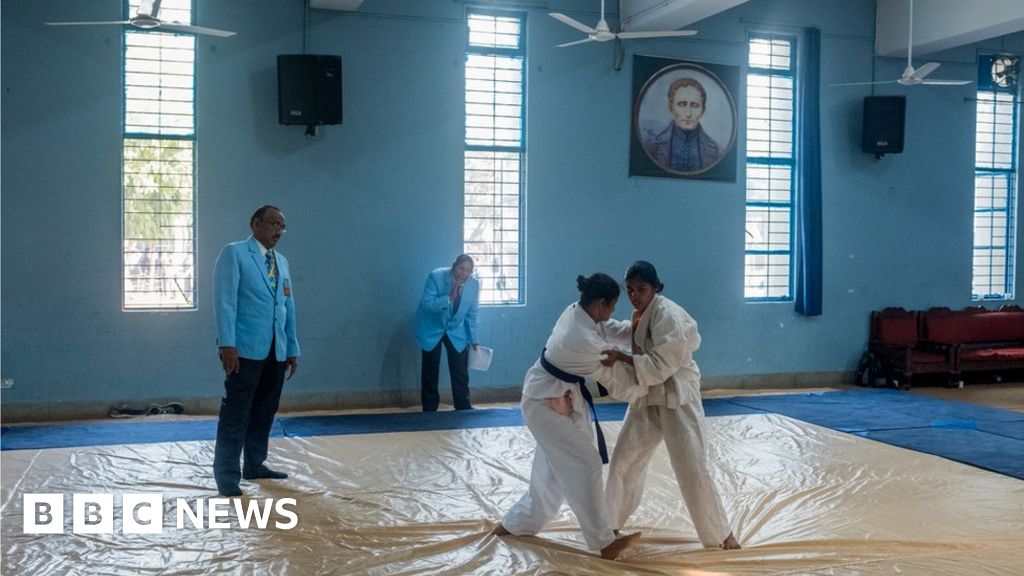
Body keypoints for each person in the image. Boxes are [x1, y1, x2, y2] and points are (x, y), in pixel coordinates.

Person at [492, 273, 647, 560]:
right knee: (585, 462)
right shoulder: (580, 337)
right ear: (601, 303)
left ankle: (512, 525)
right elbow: (617, 375)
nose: (613, 312)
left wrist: (638, 329)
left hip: (551, 395)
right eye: (613, 305)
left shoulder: (578, 313)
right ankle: (603, 542)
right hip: (543, 403)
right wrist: (651, 382)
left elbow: (611, 331)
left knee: (549, 475)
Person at [603, 261, 740, 550]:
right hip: (649, 394)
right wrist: (595, 324)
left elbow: (662, 364)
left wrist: (623, 357)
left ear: (655, 287)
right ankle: (609, 527)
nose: (634, 295)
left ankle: (722, 535)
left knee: (692, 466)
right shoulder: (643, 313)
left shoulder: (668, 314)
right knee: (624, 460)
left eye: (641, 289)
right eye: (630, 290)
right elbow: (634, 335)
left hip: (677, 397)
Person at [212, 205, 300, 497]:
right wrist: (227, 344)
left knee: (265, 410)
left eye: (282, 226)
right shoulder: (235, 254)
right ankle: (227, 475)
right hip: (245, 349)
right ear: (255, 224)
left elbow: (288, 308)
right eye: (273, 223)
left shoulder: (282, 262)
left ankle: (255, 463)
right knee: (236, 411)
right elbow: (225, 303)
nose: (279, 230)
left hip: (276, 350)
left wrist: (292, 347)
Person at [414, 254, 480, 411]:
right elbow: (427, 305)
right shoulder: (435, 277)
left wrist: (474, 338)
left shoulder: (474, 284)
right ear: (453, 266)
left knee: (460, 370)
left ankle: (463, 406)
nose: (463, 273)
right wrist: (449, 297)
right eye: (461, 269)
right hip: (432, 328)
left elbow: (473, 312)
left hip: (456, 330)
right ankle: (429, 408)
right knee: (430, 369)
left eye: (468, 271)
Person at [643, 77, 721, 173]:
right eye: (682, 104)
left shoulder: (714, 150)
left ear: (703, 110)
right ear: (671, 107)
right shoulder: (653, 146)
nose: (688, 114)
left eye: (694, 105)